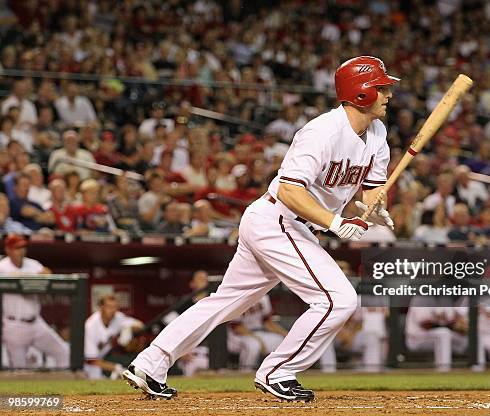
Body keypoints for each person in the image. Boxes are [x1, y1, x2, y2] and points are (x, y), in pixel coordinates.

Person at [123, 56, 398, 401]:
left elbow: (372, 190)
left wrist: (376, 209)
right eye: (382, 87)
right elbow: (289, 189)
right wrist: (335, 222)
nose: (388, 94)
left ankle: (150, 362)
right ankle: (278, 371)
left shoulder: (377, 133)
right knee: (338, 299)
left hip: (285, 225)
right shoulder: (321, 132)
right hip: (278, 219)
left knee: (228, 303)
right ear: (360, 93)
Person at [0, 234, 69, 369]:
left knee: (63, 352)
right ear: (8, 250)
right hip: (14, 325)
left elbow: (47, 273)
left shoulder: (32, 264)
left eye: (23, 247)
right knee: (18, 369)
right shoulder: (2, 267)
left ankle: (65, 389)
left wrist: (29, 277)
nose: (21, 251)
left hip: (37, 324)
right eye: (17, 248)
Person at [84, 294, 144, 379]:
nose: (112, 310)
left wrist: (128, 328)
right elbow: (90, 359)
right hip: (88, 365)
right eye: (109, 307)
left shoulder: (118, 317)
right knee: (95, 378)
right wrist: (115, 368)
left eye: (115, 307)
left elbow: (140, 325)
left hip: (104, 358)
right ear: (101, 307)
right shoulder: (91, 325)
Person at [405, 296, 467, 372]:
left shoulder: (445, 298)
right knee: (443, 333)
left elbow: (455, 319)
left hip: (435, 335)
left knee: (462, 339)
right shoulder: (421, 298)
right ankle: (444, 369)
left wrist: (457, 324)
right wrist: (445, 322)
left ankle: (474, 368)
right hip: (417, 338)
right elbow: (425, 324)